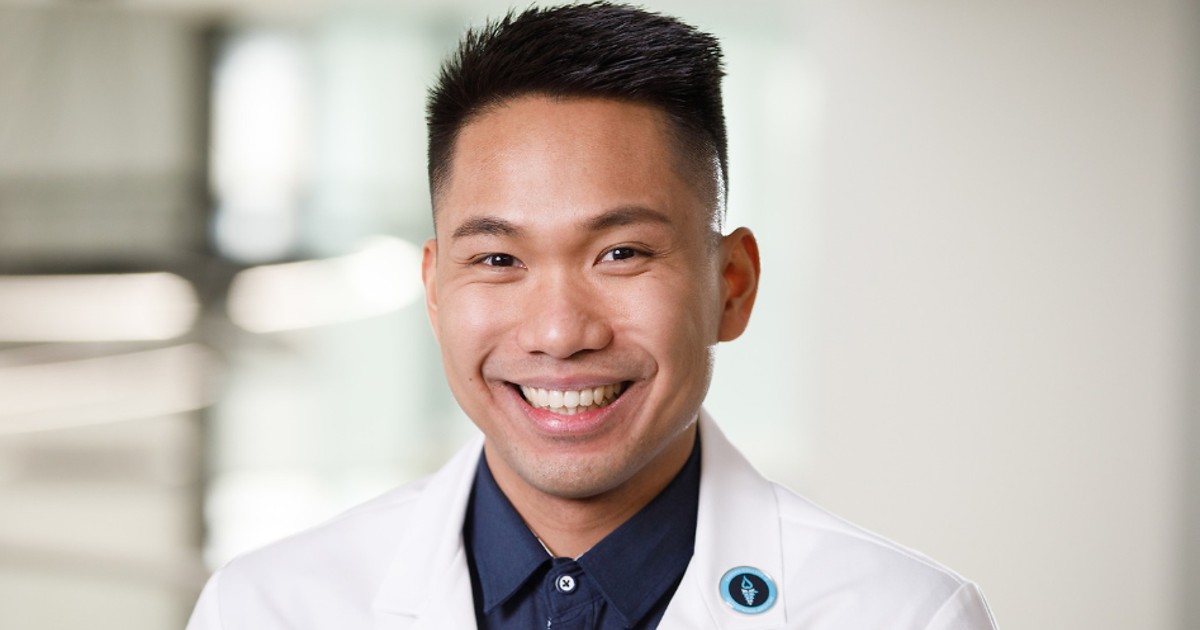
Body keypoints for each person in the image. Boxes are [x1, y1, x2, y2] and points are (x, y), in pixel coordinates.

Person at [187, 3, 999, 629]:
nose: (559, 332)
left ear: (732, 286)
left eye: (622, 254)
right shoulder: (269, 608)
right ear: (435, 293)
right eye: (499, 260)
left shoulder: (901, 616)